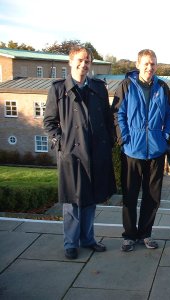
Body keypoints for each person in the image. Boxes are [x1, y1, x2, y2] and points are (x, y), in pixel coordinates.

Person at [43, 46, 116, 260]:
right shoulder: (57, 89)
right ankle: (71, 243)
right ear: (70, 61)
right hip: (72, 153)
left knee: (91, 198)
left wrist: (109, 142)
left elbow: (106, 117)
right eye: (80, 60)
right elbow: (49, 123)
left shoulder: (99, 88)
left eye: (87, 61)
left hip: (96, 152)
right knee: (73, 200)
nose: (84, 65)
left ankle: (88, 239)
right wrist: (60, 143)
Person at [112, 49, 170, 252]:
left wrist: (163, 138)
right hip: (132, 150)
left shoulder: (162, 87)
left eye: (153, 64)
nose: (150, 67)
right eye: (146, 63)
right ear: (138, 64)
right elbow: (117, 114)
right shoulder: (127, 85)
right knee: (130, 196)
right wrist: (125, 139)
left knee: (152, 196)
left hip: (155, 152)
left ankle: (145, 233)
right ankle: (129, 235)